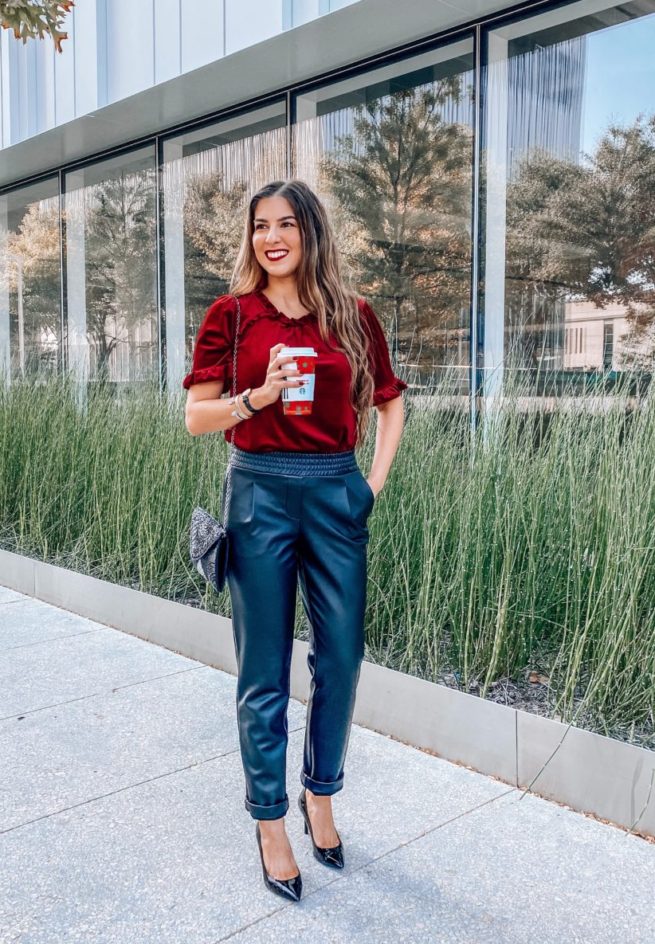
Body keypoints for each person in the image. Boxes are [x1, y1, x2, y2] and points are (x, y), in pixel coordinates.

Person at [183, 179, 407, 902]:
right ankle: (270, 820)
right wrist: (257, 398)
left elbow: (391, 402)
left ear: (311, 231)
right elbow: (196, 418)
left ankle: (320, 793)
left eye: (285, 224)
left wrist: (369, 484)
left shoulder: (352, 314)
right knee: (264, 670)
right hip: (258, 492)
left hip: (335, 490)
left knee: (341, 654)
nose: (270, 237)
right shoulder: (232, 316)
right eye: (258, 226)